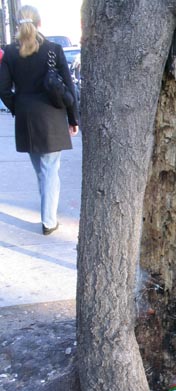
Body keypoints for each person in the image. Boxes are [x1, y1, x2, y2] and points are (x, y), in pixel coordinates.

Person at [0, 5, 79, 235]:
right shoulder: (53, 50)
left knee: (42, 170)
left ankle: (48, 210)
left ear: (18, 24)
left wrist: (19, 107)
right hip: (51, 118)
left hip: (26, 119)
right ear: (40, 23)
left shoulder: (10, 53)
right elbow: (68, 87)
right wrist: (73, 118)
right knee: (50, 170)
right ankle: (49, 221)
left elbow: (3, 89)